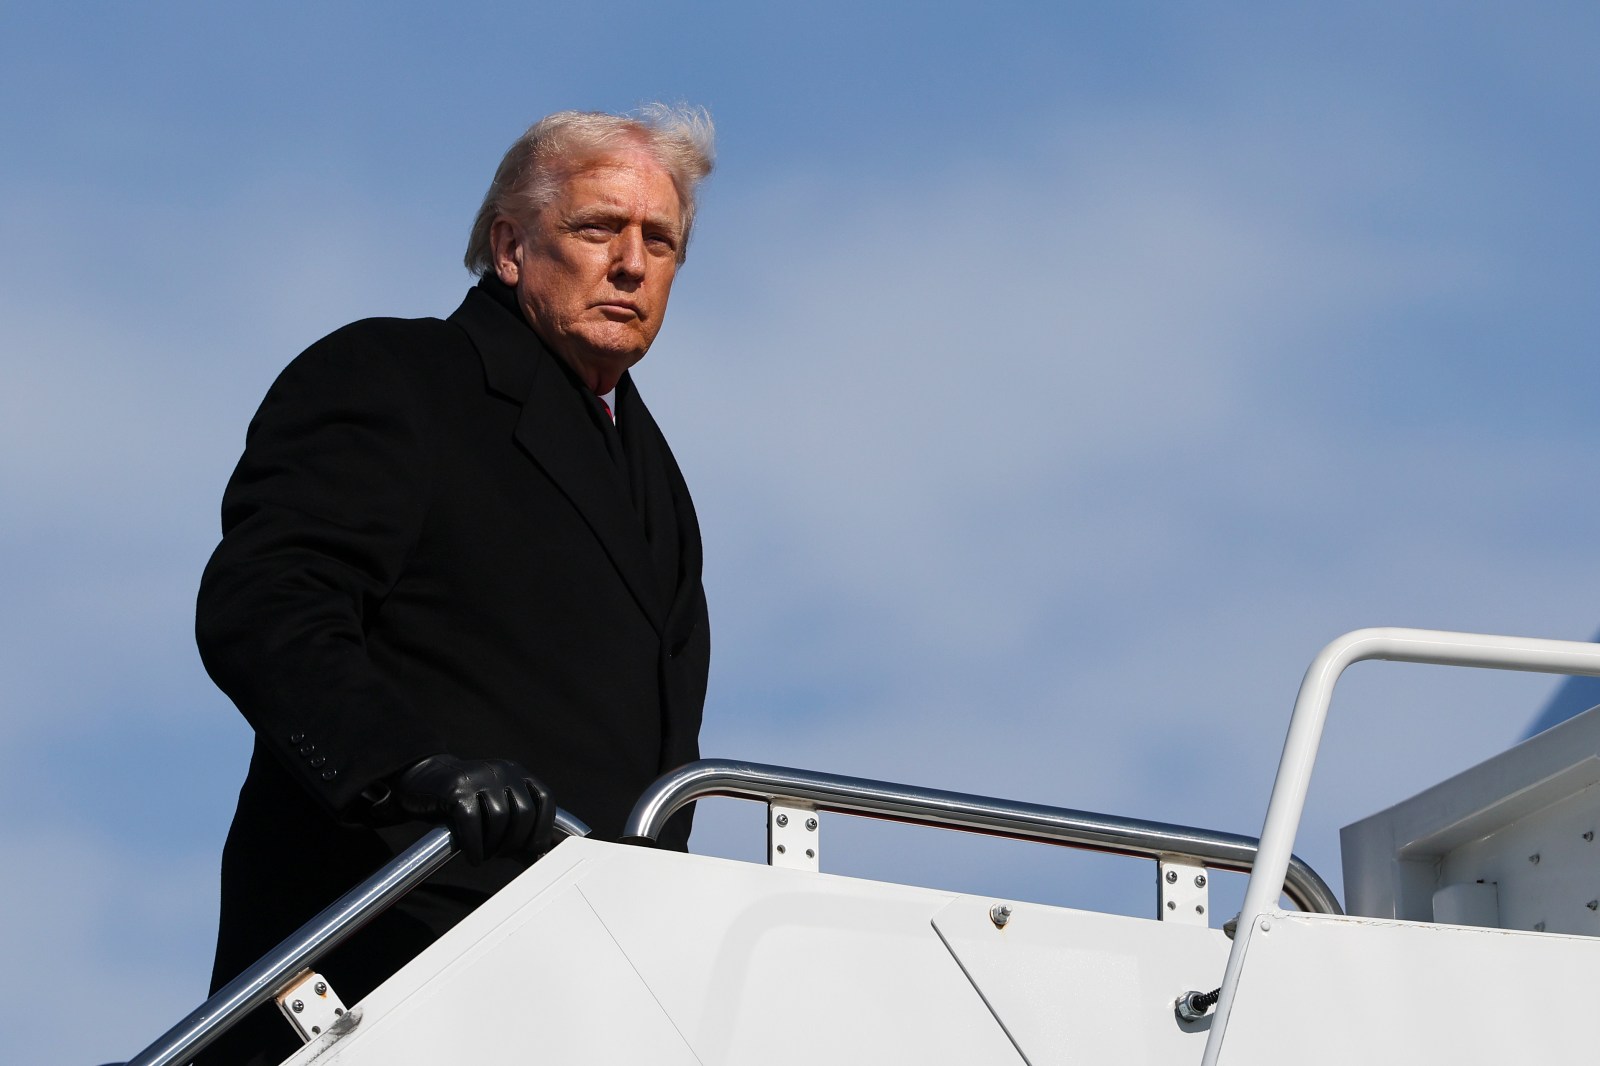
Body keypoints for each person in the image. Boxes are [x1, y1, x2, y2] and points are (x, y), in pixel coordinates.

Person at [192, 105, 714, 1065]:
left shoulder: (657, 480)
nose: (634, 264)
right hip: (384, 960)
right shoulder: (395, 376)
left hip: (591, 988)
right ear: (511, 248)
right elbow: (265, 603)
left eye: (661, 240)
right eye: (599, 229)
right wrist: (410, 767)